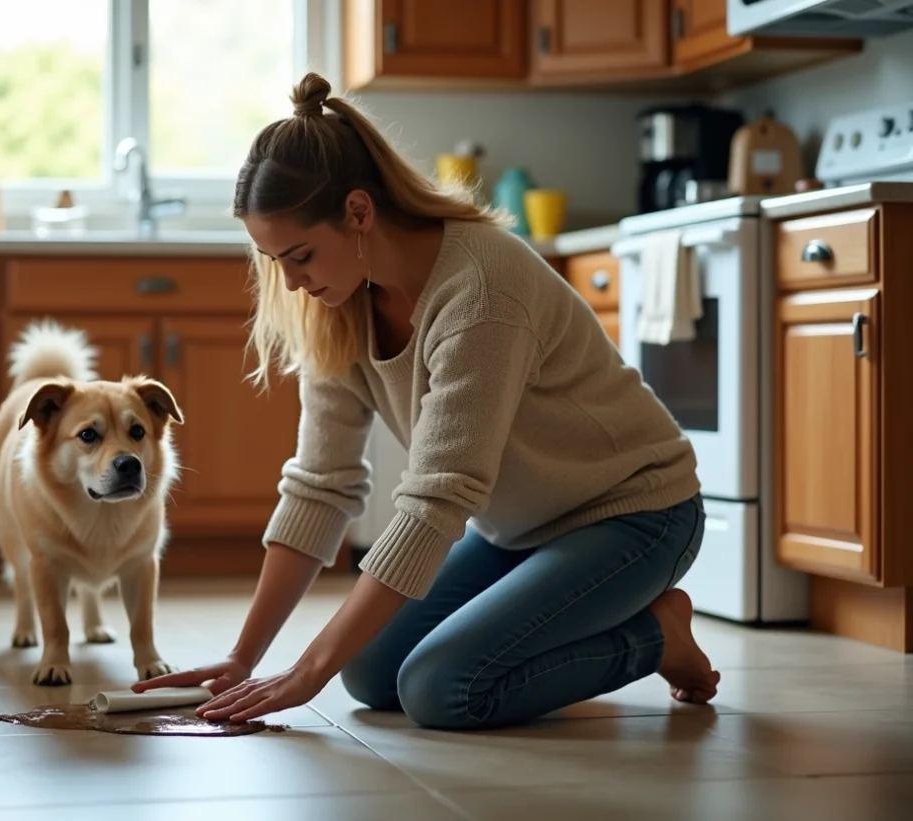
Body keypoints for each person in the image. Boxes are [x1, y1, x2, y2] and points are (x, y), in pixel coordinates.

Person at [133, 72, 719, 731]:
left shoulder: (481, 289)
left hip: (633, 515)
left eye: (299, 255)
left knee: (445, 687)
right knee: (371, 673)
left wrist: (306, 672)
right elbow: (320, 485)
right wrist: (244, 656)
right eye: (275, 263)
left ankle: (658, 635)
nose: (292, 283)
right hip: (519, 531)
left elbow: (438, 498)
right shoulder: (340, 307)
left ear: (359, 212)